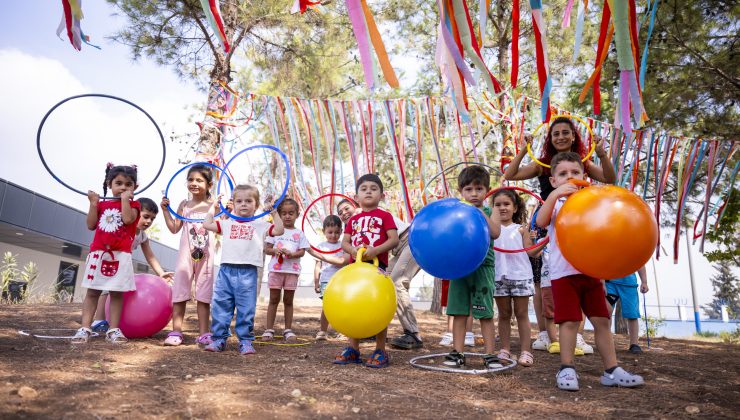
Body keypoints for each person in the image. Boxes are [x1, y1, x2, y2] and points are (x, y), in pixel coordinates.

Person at [505, 117, 615, 354]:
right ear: (550, 138)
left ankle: (578, 336)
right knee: (542, 280)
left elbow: (610, 178)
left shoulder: (581, 163)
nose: (561, 137)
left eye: (566, 132)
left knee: (582, 275)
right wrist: (525, 149)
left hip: (578, 223)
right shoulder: (542, 164)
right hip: (549, 220)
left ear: (574, 136)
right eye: (556, 134)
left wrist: (603, 155)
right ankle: (545, 332)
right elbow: (509, 173)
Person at [536, 152, 643, 391]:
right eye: (563, 174)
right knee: (570, 322)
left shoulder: (592, 201)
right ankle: (566, 368)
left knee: (601, 321)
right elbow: (541, 223)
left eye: (575, 173)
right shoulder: (555, 203)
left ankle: (612, 369)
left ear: (584, 177)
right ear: (553, 181)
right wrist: (553, 197)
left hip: (592, 272)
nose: (570, 177)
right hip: (563, 274)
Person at [201, 185, 283, 353]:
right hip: (226, 270)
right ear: (234, 203)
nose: (243, 204)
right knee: (221, 305)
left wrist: (274, 213)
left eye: (248, 201)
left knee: (246, 308)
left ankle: (245, 341)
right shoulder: (227, 223)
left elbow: (280, 230)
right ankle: (219, 339)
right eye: (239, 201)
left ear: (256, 204)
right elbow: (206, 224)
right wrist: (214, 207)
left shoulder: (260, 224)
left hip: (248, 272)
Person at [337, 198, 425, 350]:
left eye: (346, 208)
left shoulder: (364, 214)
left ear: (355, 205)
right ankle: (374, 327)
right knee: (384, 285)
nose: (344, 213)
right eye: (340, 213)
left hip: (410, 241)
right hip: (397, 250)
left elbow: (387, 241)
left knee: (397, 283)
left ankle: (413, 334)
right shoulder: (354, 224)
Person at [334, 174, 399, 368]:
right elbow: (344, 242)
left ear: (381, 195)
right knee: (354, 305)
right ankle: (353, 348)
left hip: (377, 268)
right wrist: (353, 250)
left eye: (373, 188)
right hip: (355, 269)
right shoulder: (352, 220)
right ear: (356, 196)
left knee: (378, 308)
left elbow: (393, 239)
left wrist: (375, 251)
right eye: (364, 189)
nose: (368, 191)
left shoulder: (385, 216)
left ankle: (381, 350)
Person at [72, 164, 141, 344]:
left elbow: (127, 219)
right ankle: (85, 327)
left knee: (116, 293)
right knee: (93, 292)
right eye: (118, 183)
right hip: (99, 254)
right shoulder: (102, 204)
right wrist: (93, 204)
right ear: (109, 184)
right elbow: (90, 224)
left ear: (135, 187)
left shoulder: (135, 205)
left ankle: (113, 329)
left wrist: (125, 200)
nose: (123, 187)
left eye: (128, 184)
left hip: (120, 255)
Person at [442, 165, 501, 369]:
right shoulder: (456, 213)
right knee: (459, 312)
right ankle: (457, 352)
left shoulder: (489, 210)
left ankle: (490, 354)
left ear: (487, 190)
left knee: (484, 312)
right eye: (468, 190)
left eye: (478, 189)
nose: (474, 194)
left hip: (483, 268)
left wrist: (479, 213)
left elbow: (495, 232)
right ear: (461, 192)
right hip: (459, 269)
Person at [91, 198, 174, 332]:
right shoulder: (123, 227)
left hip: (122, 264)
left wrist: (161, 273)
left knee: (117, 291)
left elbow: (150, 256)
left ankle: (112, 321)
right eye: (146, 217)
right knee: (105, 289)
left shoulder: (142, 236)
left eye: (152, 219)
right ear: (135, 212)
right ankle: (99, 320)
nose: (148, 222)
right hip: (109, 260)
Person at [160, 164, 217, 347]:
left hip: (206, 257)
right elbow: (174, 228)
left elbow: (222, 228)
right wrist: (165, 211)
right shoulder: (184, 205)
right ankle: (176, 331)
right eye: (191, 179)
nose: (194, 183)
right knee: (180, 292)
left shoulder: (214, 205)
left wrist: (228, 211)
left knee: (203, 294)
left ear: (209, 184)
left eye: (199, 180)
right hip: (186, 256)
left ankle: (204, 333)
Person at [491, 189, 544, 367]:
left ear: (514, 208)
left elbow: (531, 252)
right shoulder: (491, 230)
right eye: (497, 204)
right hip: (498, 275)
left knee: (521, 314)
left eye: (506, 204)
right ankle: (505, 349)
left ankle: (525, 351)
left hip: (520, 275)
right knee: (504, 314)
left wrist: (545, 242)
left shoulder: (521, 229)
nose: (502, 208)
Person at [262, 198, 310, 342]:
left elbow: (302, 251)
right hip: (276, 270)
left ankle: (288, 330)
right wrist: (275, 250)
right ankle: (269, 329)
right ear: (279, 215)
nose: (287, 216)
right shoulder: (274, 231)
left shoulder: (299, 233)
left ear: (297, 214)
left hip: (292, 271)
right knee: (274, 299)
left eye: (291, 213)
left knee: (288, 300)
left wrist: (292, 254)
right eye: (284, 213)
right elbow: (267, 249)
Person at [310, 215, 348, 340]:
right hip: (326, 281)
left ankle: (343, 330)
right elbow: (317, 266)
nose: (333, 235)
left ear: (341, 232)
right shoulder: (321, 247)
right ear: (324, 232)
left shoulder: (343, 246)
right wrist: (316, 282)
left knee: (341, 307)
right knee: (327, 307)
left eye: (337, 232)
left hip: (340, 281)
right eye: (330, 232)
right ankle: (323, 331)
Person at [605, 266, 650, 354]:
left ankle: (634, 344)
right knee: (606, 313)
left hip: (629, 284)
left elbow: (640, 263)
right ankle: (605, 342)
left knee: (632, 314)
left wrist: (644, 282)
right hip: (610, 283)